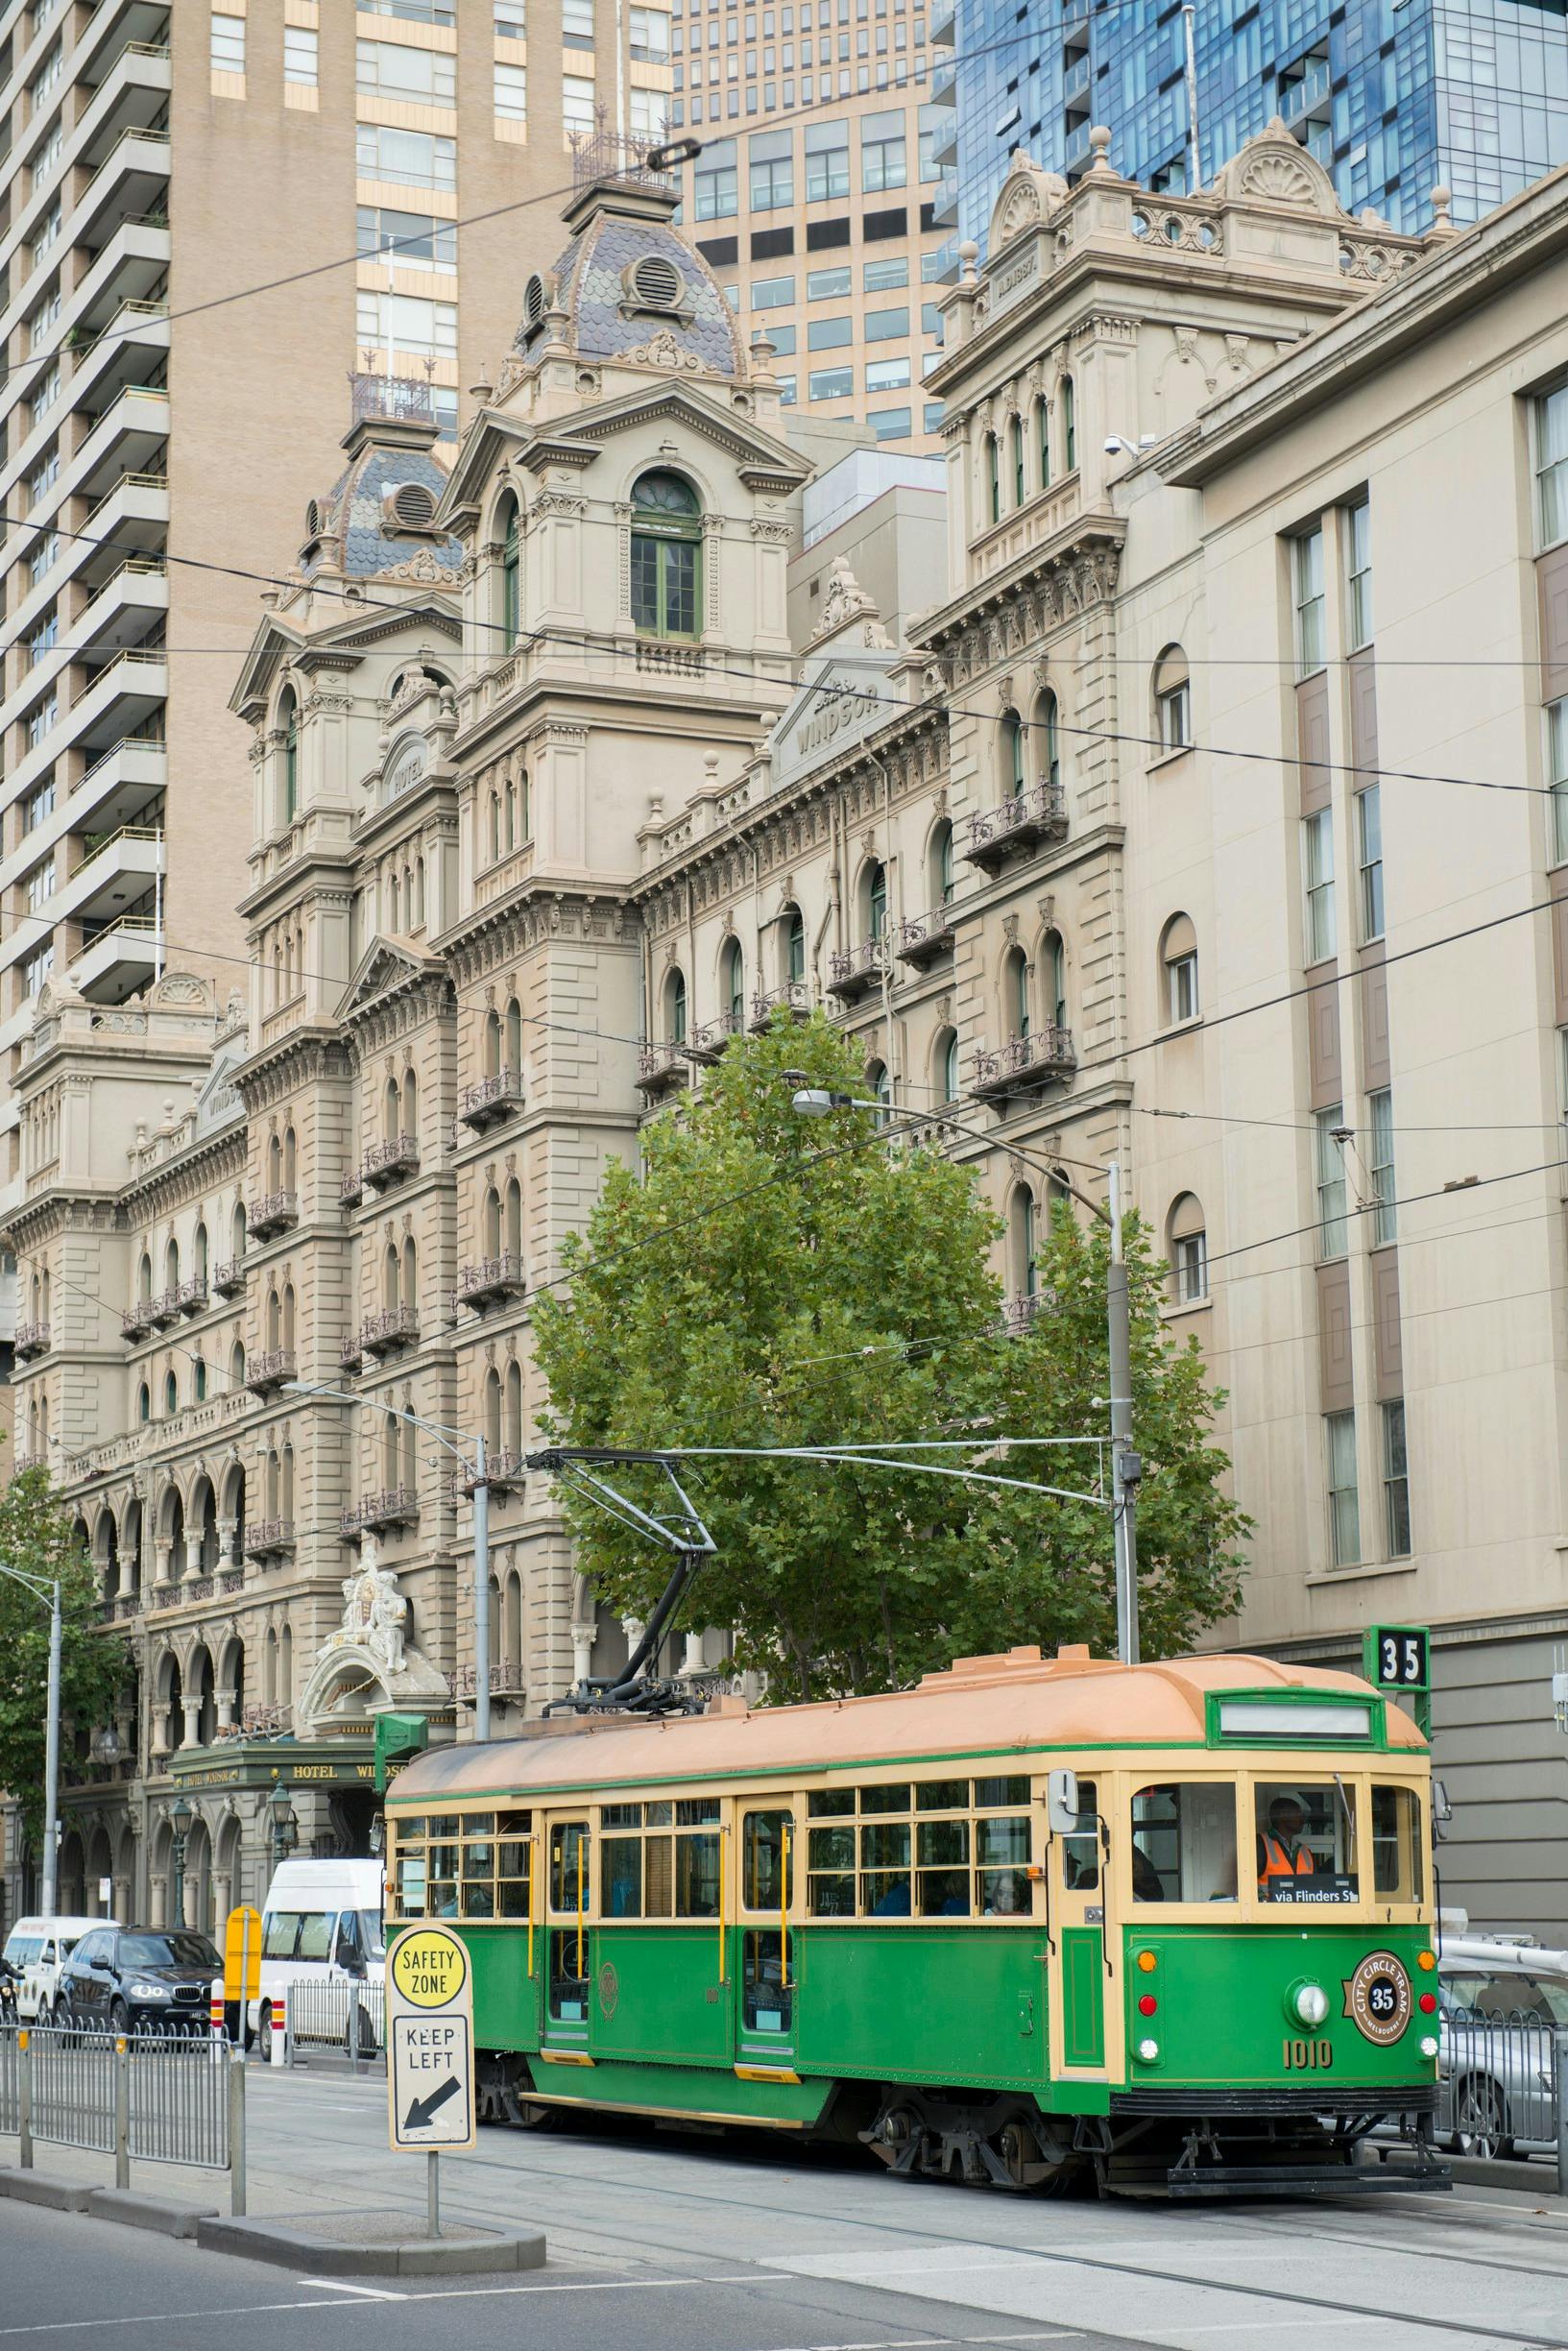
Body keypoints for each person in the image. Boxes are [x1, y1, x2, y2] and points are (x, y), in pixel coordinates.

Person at [1257, 1792, 1316, 1899]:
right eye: (1298, 1815)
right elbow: (1246, 1886)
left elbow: (1317, 1890)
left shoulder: (1305, 1851)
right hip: (1270, 1913)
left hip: (1302, 1913)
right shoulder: (1260, 1844)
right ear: (1283, 1816)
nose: (1302, 1820)